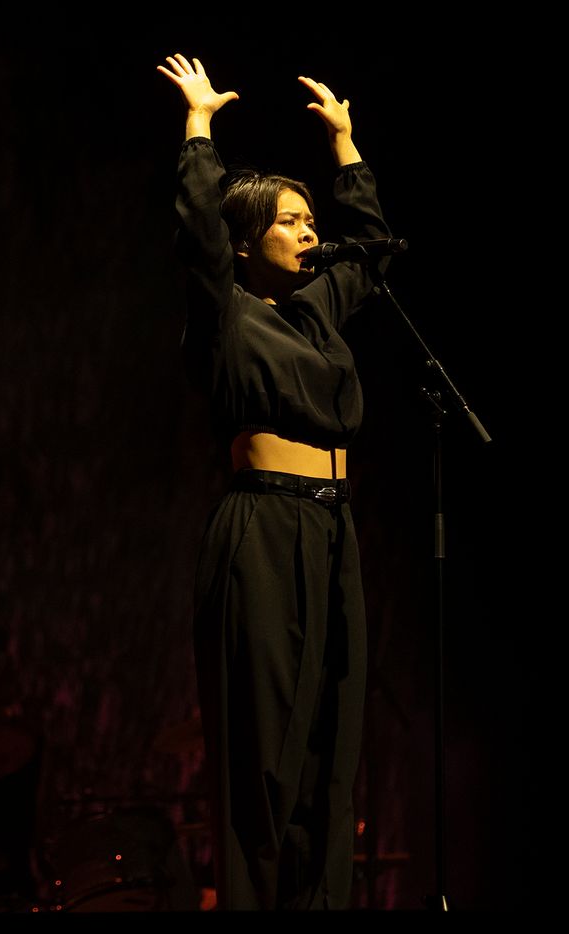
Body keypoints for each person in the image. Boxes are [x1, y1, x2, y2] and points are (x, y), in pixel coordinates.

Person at [156, 53, 397, 910]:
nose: (306, 231)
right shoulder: (226, 315)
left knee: (334, 751)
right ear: (250, 237)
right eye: (289, 221)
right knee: (262, 755)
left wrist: (345, 145)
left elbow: (368, 255)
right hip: (262, 531)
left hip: (333, 533)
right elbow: (199, 231)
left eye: (308, 220)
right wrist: (198, 129)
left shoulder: (315, 312)